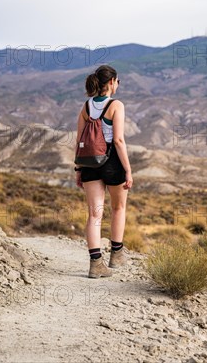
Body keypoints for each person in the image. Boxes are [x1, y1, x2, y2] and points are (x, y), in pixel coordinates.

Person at [74, 65, 133, 278]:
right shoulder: (116, 105)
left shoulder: (86, 106)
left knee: (94, 214)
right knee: (118, 208)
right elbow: (118, 140)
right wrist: (127, 170)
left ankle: (95, 264)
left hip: (89, 163)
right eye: (118, 82)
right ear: (111, 82)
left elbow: (80, 140)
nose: (117, 86)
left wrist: (78, 169)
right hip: (112, 162)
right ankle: (116, 255)